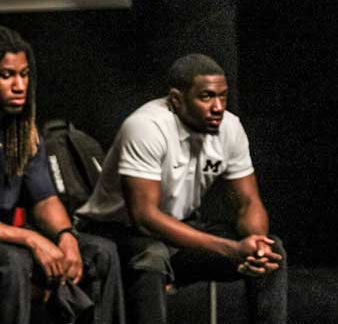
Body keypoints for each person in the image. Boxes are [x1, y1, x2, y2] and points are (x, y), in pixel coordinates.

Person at [76, 54, 287, 324]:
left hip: (178, 232)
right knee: (152, 256)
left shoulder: (230, 128)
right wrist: (231, 248)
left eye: (223, 97)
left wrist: (256, 247)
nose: (218, 107)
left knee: (274, 251)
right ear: (176, 99)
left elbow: (248, 202)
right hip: (119, 234)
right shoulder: (146, 127)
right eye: (207, 97)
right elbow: (145, 217)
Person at [0, 26, 125, 324]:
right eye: (7, 76)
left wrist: (65, 236)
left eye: (25, 74)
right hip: (9, 245)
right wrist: (31, 239)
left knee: (101, 253)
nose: (20, 85)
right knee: (13, 263)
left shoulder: (23, 135)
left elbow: (45, 199)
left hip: (9, 238)